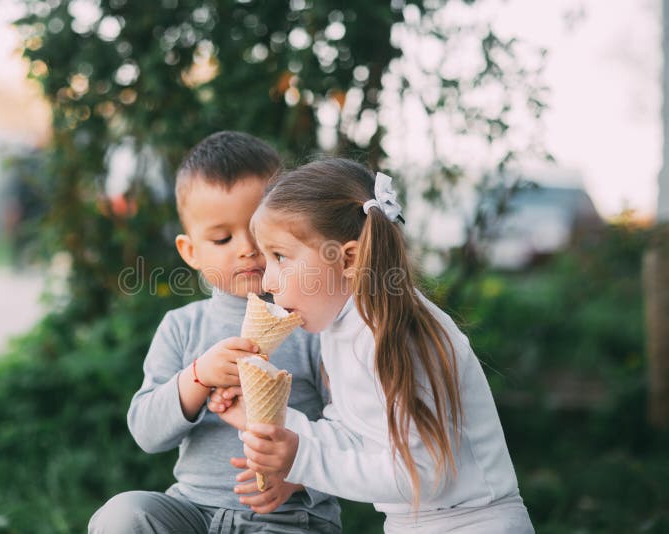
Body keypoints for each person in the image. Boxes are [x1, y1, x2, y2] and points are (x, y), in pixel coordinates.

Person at [213, 158, 534, 533]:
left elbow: (426, 474)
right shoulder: (342, 330)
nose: (267, 281)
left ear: (348, 258)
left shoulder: (399, 333)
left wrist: (303, 459)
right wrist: (269, 423)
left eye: (280, 256)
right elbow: (356, 435)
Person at [88, 132, 341, 534]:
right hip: (193, 511)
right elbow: (148, 433)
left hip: (286, 515)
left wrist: (297, 477)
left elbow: (349, 430)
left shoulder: (314, 324)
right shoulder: (182, 327)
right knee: (124, 515)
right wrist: (197, 377)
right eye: (222, 238)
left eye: (259, 230)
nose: (246, 248)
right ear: (190, 252)